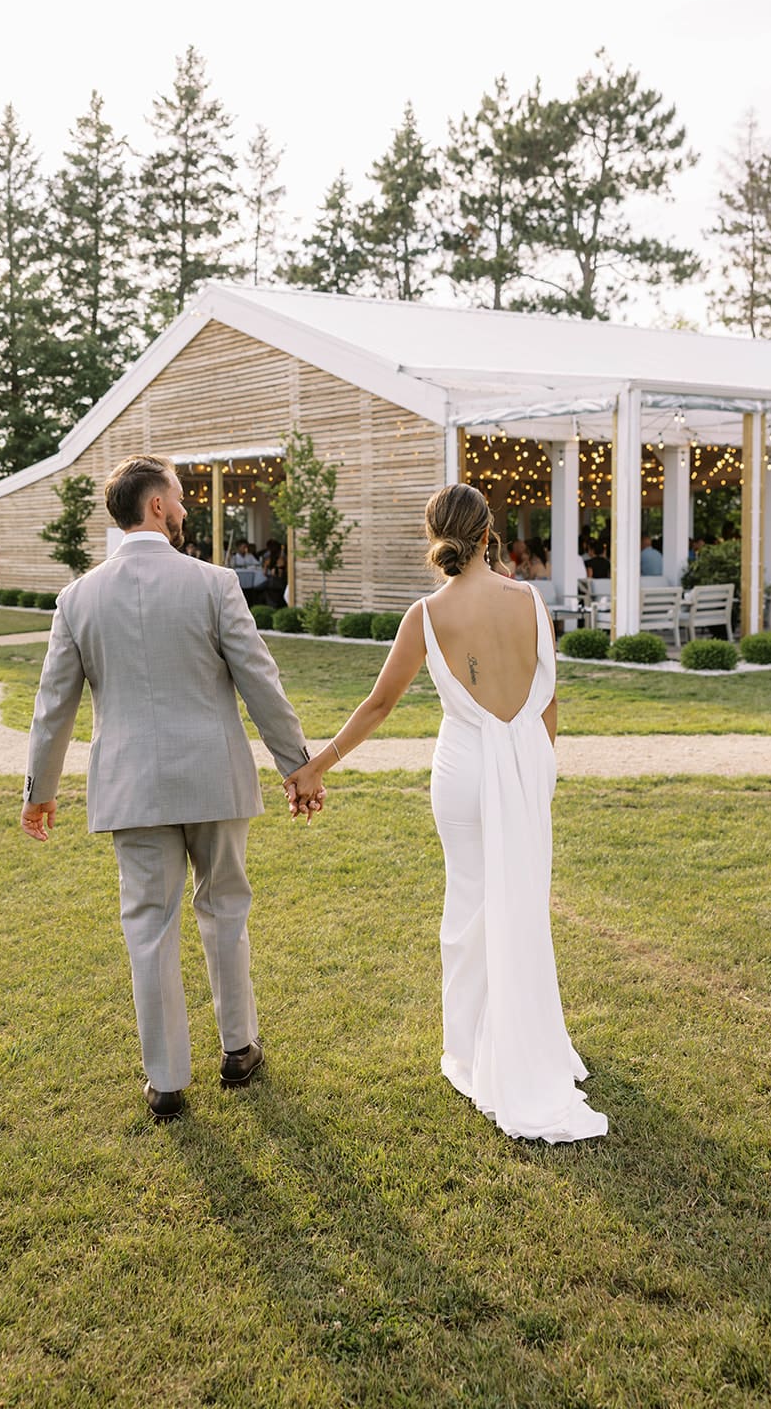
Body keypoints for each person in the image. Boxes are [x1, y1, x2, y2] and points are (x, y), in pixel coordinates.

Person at [284, 484, 607, 1144]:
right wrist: (536, 770)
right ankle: (514, 1046)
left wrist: (318, 764)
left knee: (469, 912)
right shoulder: (530, 602)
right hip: (526, 765)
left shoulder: (425, 615)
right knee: (517, 903)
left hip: (463, 774)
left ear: (434, 537)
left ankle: (472, 1052)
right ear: (488, 534)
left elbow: (378, 706)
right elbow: (548, 695)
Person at [21, 455, 320, 1124]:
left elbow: (52, 707)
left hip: (131, 787)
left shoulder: (77, 598)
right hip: (214, 777)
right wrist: (295, 764)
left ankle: (165, 1082)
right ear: (156, 506)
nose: (187, 510)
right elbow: (258, 681)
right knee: (226, 910)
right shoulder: (213, 584)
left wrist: (40, 788)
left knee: (148, 929)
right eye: (181, 499)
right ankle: (239, 1048)